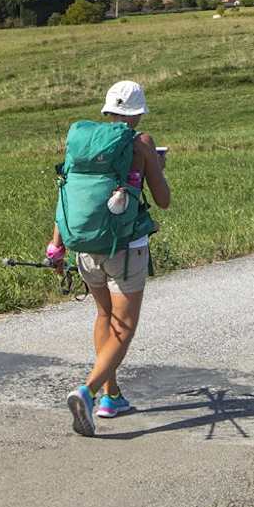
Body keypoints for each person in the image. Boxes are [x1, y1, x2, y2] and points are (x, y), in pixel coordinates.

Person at [49, 78, 170, 436]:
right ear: (139, 113)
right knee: (125, 327)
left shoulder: (82, 145)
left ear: (107, 110)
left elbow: (66, 193)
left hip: (84, 245)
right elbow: (162, 200)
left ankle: (110, 395)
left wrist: (56, 246)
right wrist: (156, 166)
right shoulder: (141, 143)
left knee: (104, 315)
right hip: (125, 247)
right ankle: (86, 392)